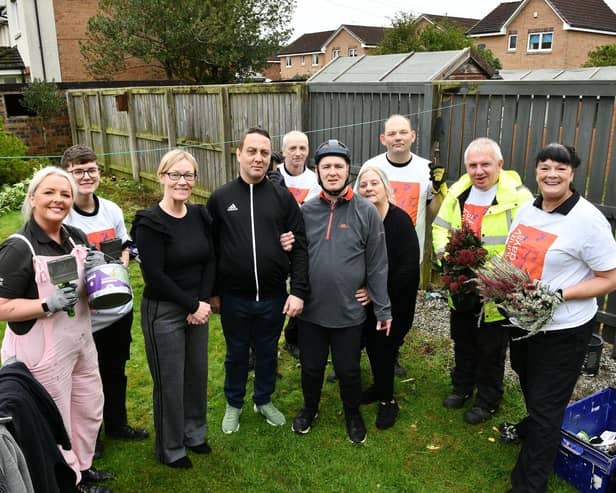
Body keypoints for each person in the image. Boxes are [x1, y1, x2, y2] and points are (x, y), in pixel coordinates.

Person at [500, 144, 616, 493]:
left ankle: (528, 484)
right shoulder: (528, 209)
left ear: (572, 174)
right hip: (523, 322)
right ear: (536, 171)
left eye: (560, 169)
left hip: (563, 330)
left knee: (548, 407)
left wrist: (558, 293)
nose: (552, 174)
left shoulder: (588, 221)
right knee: (530, 382)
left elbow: (609, 277)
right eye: (545, 167)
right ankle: (531, 424)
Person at [0, 166, 112, 493]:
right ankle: (68, 482)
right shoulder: (19, 247)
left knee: (88, 409)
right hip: (42, 352)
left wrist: (98, 271)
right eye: (49, 192)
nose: (58, 200)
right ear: (33, 198)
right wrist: (45, 305)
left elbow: (86, 290)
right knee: (56, 421)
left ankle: (84, 467)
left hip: (79, 340)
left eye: (65, 194)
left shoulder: (74, 236)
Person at [207, 127, 309, 434]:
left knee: (267, 352)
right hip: (233, 297)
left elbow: (301, 246)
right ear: (238, 154)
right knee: (236, 353)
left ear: (270, 158)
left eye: (264, 153)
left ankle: (263, 400)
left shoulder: (282, 198)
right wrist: (212, 292)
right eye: (251, 151)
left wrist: (299, 291)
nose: (258, 158)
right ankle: (234, 403)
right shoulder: (221, 198)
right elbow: (210, 249)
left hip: (273, 296)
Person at [291, 139, 392, 444]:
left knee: (348, 371)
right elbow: (295, 255)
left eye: (338, 166)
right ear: (317, 171)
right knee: (311, 368)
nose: (332, 172)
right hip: (311, 311)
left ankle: (352, 413)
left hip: (349, 313)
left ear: (349, 170)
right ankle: (310, 408)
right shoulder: (306, 211)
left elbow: (377, 263)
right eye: (326, 167)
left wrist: (381, 305)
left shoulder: (366, 212)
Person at [432, 137, 533, 424]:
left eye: (485, 164)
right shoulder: (458, 192)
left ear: (500, 165)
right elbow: (440, 228)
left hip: (496, 290)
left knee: (491, 348)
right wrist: (447, 262)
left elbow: (525, 246)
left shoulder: (519, 198)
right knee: (462, 338)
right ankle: (462, 386)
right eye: (472, 165)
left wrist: (497, 277)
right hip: (462, 285)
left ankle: (488, 399)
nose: (479, 171)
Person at [61, 144, 149, 454]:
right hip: (88, 316)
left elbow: (127, 245)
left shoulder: (110, 209)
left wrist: (124, 259)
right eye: (78, 171)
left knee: (115, 370)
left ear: (99, 172)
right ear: (67, 175)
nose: (86, 176)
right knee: (86, 377)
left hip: (119, 310)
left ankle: (117, 423)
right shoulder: (64, 216)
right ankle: (92, 436)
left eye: (91, 169)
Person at [131, 149, 214, 469]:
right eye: (175, 175)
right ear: (161, 176)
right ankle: (171, 447)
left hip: (198, 309)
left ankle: (194, 433)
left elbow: (211, 259)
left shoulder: (200, 215)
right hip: (164, 311)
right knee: (171, 381)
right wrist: (191, 304)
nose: (183, 181)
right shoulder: (149, 222)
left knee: (196, 375)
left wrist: (202, 303)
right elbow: (154, 275)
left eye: (188, 175)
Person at [355, 114, 446, 376]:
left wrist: (438, 190)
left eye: (403, 132)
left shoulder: (426, 169)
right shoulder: (371, 166)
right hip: (369, 251)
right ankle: (351, 352)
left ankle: (391, 353)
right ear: (383, 139)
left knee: (401, 310)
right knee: (363, 306)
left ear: (412, 136)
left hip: (407, 254)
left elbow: (433, 213)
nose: (398, 138)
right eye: (392, 134)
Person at [356, 165, 420, 429]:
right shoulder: (359, 219)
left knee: (383, 348)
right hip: (365, 301)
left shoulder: (400, 221)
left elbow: (407, 268)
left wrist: (376, 293)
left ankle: (388, 402)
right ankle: (380, 387)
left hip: (395, 301)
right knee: (373, 348)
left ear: (385, 188)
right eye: (363, 184)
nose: (369, 188)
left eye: (374, 183)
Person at [278, 130, 321, 360]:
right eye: (292, 148)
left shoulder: (314, 181)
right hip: (274, 246)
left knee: (300, 290)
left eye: (302, 148)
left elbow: (303, 215)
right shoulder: (270, 175)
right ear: (283, 150)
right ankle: (258, 348)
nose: (297, 153)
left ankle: (293, 338)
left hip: (302, 245)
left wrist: (282, 194)